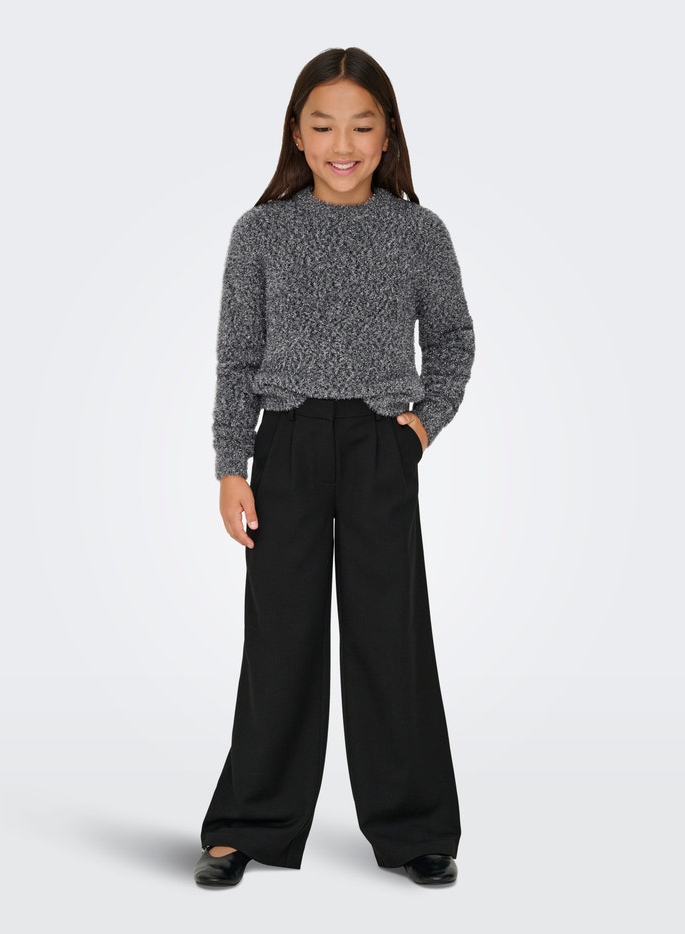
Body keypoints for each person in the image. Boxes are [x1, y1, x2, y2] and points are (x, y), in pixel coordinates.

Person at [194, 46, 476, 888]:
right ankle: (248, 823)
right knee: (280, 635)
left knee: (390, 633)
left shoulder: (418, 232)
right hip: (285, 444)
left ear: (388, 135)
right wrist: (231, 464)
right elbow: (237, 357)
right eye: (323, 126)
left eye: (361, 126)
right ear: (297, 134)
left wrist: (421, 426)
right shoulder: (260, 233)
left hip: (379, 444)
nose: (342, 145)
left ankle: (416, 826)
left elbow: (453, 339)